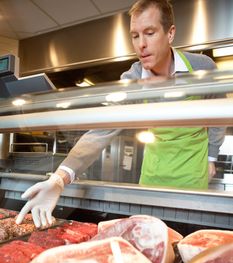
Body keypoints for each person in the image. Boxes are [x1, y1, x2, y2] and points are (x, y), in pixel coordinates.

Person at [16, 0, 225, 228]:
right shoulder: (133, 78)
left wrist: (211, 157)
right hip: (154, 170)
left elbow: (219, 115)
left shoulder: (202, 66)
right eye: (135, 36)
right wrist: (59, 178)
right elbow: (102, 129)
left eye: (150, 33)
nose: (141, 45)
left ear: (170, 33)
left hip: (192, 170)